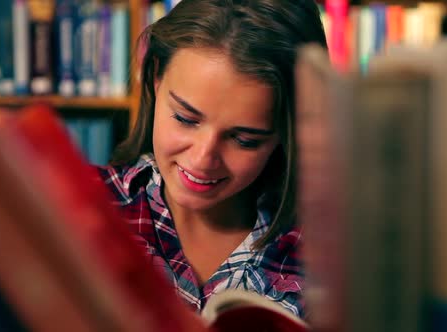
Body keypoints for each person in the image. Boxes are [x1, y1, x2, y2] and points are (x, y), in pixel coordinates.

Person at [96, 0, 327, 319]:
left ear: (286, 133)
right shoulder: (81, 204)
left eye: (244, 140)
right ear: (155, 79)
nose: (203, 158)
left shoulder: (329, 256)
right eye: (185, 118)